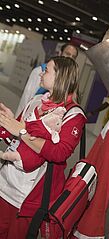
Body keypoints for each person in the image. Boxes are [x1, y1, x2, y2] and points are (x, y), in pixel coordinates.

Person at [0, 56, 87, 238]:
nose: (41, 73)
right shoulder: (36, 100)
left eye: (47, 70)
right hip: (4, 186)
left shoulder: (73, 115)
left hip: (26, 198)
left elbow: (59, 153)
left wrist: (22, 131)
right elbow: (16, 141)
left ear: (60, 77)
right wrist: (6, 124)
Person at [15, 43, 79, 117]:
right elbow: (26, 98)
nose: (70, 58)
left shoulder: (71, 81)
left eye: (73, 56)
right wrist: (17, 119)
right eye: (67, 54)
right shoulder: (39, 71)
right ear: (60, 53)